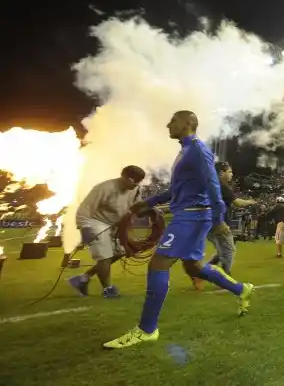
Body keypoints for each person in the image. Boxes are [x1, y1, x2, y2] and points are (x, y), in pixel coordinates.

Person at [102, 110, 254, 349]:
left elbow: (213, 184)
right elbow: (177, 189)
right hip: (188, 214)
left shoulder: (197, 150)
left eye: (173, 120)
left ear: (188, 123)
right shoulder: (185, 150)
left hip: (193, 216)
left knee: (158, 263)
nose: (168, 124)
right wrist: (149, 203)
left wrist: (218, 216)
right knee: (192, 266)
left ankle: (146, 329)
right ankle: (241, 289)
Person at [68, 165, 146, 297]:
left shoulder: (135, 189)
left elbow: (136, 206)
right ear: (124, 177)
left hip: (115, 224)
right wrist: (85, 229)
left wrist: (148, 210)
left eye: (139, 182)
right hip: (96, 222)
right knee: (105, 256)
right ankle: (107, 289)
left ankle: (83, 278)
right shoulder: (104, 188)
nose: (136, 185)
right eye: (134, 181)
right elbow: (84, 210)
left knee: (121, 251)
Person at [191, 161, 257, 290]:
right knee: (229, 251)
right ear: (222, 172)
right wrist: (250, 201)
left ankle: (200, 273)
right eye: (230, 171)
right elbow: (237, 202)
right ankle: (224, 278)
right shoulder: (222, 185)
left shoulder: (209, 184)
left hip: (206, 223)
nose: (232, 174)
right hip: (218, 224)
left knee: (221, 251)